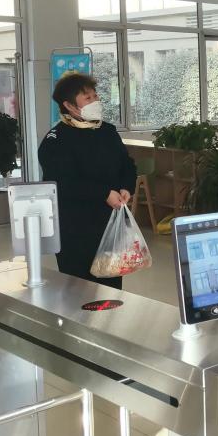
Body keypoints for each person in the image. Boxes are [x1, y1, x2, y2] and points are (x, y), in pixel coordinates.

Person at [38, 72, 137, 290]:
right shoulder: (56, 140)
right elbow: (62, 182)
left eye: (95, 95)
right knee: (79, 290)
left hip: (110, 224)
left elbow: (127, 164)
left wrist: (126, 187)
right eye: (88, 98)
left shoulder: (107, 131)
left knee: (110, 288)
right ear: (69, 105)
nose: (95, 101)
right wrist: (104, 193)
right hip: (76, 227)